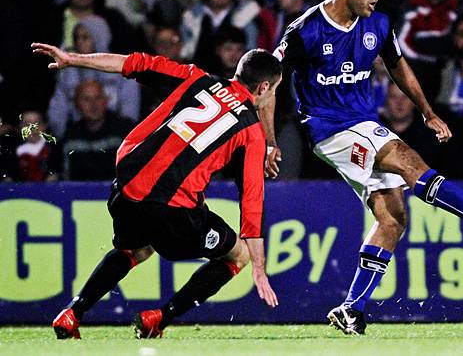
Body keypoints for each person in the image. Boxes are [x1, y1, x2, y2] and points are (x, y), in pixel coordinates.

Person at [264, 0, 463, 335]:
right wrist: (268, 141)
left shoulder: (377, 25)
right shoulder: (306, 30)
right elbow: (268, 84)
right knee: (403, 156)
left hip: (362, 123)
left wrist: (428, 112)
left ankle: (351, 308)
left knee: (393, 218)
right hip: (328, 129)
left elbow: (398, 66)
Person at [32, 41, 281, 339]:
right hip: (172, 210)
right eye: (275, 90)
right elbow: (252, 200)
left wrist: (73, 59)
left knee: (134, 249)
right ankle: (159, 319)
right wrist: (259, 266)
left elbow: (133, 63)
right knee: (236, 256)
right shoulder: (251, 132)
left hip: (126, 188)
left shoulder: (195, 77)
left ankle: (72, 313)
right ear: (264, 88)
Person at [61, 79, 135, 181]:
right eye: (86, 99)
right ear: (76, 104)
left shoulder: (125, 130)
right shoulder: (70, 135)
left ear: (106, 101)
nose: (93, 104)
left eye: (98, 98)